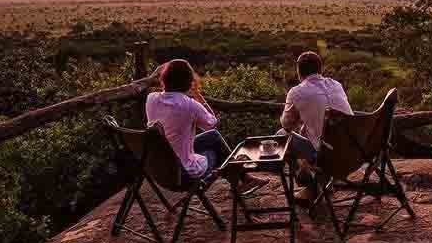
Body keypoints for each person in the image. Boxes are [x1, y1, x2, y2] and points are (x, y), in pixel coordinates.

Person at [146, 59, 265, 192]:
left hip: (159, 169)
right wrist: (197, 95)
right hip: (181, 175)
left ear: (164, 79)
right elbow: (212, 123)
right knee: (216, 150)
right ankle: (235, 180)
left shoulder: (151, 99)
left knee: (213, 137)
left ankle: (244, 179)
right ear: (188, 81)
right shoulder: (189, 105)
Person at [279, 51, 353, 200]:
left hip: (327, 158)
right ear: (321, 69)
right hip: (353, 151)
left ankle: (310, 186)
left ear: (299, 72)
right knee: (309, 131)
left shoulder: (297, 92)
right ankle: (325, 182)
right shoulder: (336, 85)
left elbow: (286, 124)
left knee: (281, 134)